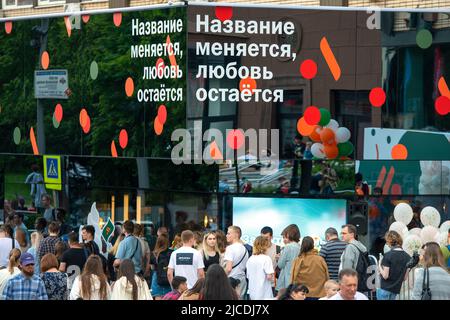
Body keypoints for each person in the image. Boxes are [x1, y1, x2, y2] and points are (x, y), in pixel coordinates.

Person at [377, 230, 411, 300]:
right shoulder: (408, 257)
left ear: (389, 241)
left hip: (385, 289)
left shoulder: (388, 255)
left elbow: (385, 276)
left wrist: (379, 265)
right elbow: (404, 278)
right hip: (395, 290)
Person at [246, 236, 274, 300]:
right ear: (265, 246)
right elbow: (269, 277)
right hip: (264, 293)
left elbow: (248, 276)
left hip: (252, 292)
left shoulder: (250, 259)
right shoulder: (266, 258)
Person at [224, 226, 249, 299]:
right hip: (242, 280)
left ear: (236, 235)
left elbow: (228, 268)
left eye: (228, 233)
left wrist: (221, 278)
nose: (226, 235)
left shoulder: (230, 248)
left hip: (232, 281)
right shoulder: (245, 249)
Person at [276, 224, 301, 292]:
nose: (284, 240)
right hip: (296, 280)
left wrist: (279, 258)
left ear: (290, 235)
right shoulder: (300, 247)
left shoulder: (288, 247)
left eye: (285, 237)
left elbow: (280, 265)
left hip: (286, 280)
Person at [151, 234, 173, 300]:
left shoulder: (154, 254)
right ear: (167, 242)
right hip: (169, 278)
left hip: (157, 278)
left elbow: (152, 268)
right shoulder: (172, 253)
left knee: (158, 296)